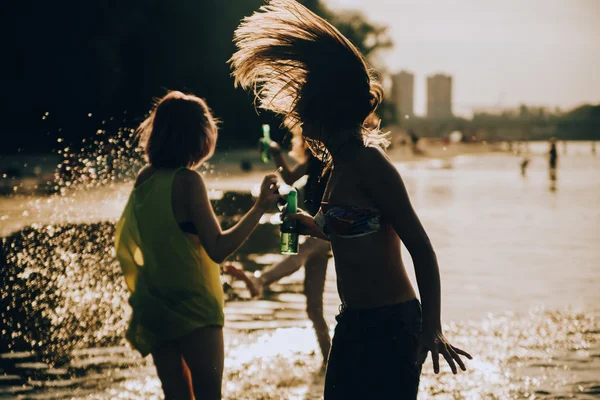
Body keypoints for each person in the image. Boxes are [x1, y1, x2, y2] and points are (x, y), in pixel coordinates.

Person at [229, 1, 472, 398]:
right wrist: (313, 225)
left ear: (328, 109)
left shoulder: (369, 162)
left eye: (304, 105)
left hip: (393, 324)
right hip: (353, 321)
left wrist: (433, 329)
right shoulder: (335, 165)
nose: (297, 114)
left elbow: (422, 248)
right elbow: (356, 229)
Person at [114, 91, 279, 400]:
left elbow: (170, 240)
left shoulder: (144, 178)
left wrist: (236, 272)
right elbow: (216, 247)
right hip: (196, 310)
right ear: (199, 136)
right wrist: (259, 207)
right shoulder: (188, 181)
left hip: (156, 307)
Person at [226, 129, 332, 368]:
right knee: (313, 306)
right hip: (313, 226)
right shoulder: (313, 159)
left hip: (326, 229)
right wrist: (276, 153)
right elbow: (291, 177)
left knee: (302, 251)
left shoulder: (333, 158)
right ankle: (329, 362)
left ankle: (260, 280)